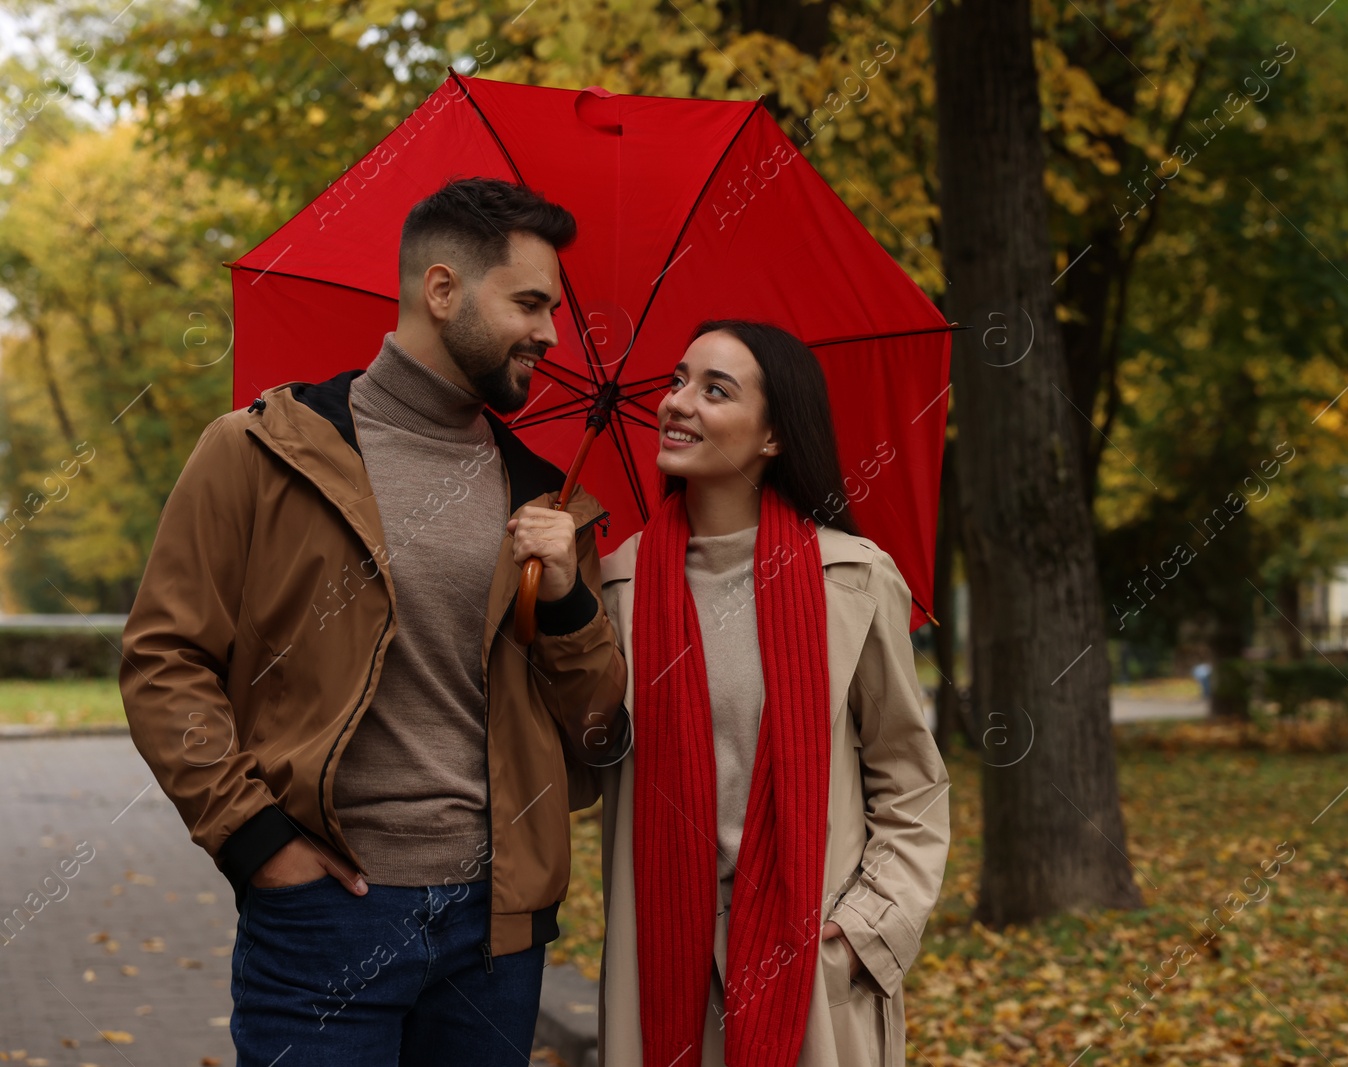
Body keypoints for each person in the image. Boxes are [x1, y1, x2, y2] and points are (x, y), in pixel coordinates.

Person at [119, 177, 626, 1066]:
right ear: (442, 290)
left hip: (496, 930)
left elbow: (597, 729)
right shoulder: (258, 450)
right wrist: (255, 839)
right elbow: (165, 658)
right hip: (325, 917)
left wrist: (569, 599)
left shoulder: (547, 494)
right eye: (531, 303)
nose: (550, 333)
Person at [578, 319, 950, 1067]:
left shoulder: (850, 580)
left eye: (715, 390)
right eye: (677, 381)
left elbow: (910, 783)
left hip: (808, 973)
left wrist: (861, 933)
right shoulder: (615, 584)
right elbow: (579, 765)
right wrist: (555, 602)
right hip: (661, 970)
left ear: (775, 437)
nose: (679, 402)